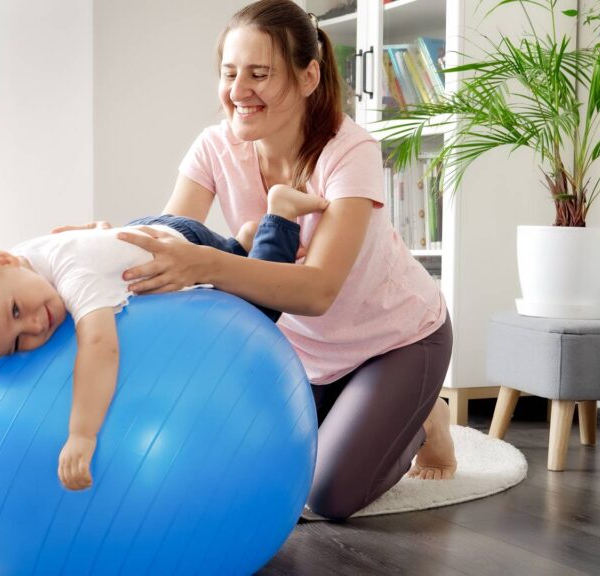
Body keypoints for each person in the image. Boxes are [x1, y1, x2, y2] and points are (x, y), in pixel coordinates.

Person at [64, 0, 456, 520]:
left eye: (259, 74)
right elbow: (169, 238)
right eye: (229, 73)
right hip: (299, 352)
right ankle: (370, 407)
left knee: (328, 494)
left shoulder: (348, 149)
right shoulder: (213, 148)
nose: (238, 90)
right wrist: (100, 249)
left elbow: (318, 289)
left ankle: (428, 415)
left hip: (397, 339)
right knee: (247, 471)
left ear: (308, 75)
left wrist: (205, 264)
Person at [0, 187, 328, 491]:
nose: (33, 326)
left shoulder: (76, 276)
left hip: (178, 249)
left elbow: (100, 347)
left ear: (3, 259)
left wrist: (83, 434)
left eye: (16, 311)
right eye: (16, 344)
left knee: (255, 314)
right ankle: (245, 242)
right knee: (232, 256)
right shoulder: (3, 270)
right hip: (145, 232)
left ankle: (280, 215)